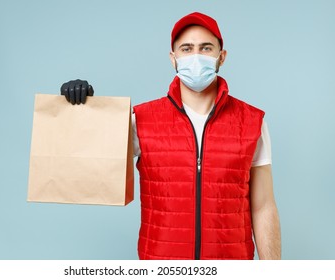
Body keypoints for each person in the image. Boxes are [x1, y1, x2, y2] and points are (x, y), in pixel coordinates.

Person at [60, 12, 281, 260]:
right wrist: (78, 110)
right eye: (187, 49)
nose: (196, 56)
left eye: (205, 48)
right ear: (173, 58)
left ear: (222, 57)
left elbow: (263, 206)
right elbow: (86, 164)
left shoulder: (251, 122)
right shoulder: (140, 120)